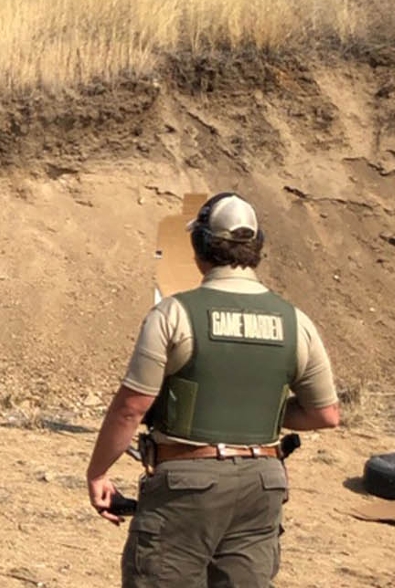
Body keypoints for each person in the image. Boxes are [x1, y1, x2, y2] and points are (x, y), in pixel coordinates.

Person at [84, 193, 341, 587]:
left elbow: (132, 407)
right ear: (256, 248)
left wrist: (98, 471)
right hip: (263, 483)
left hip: (187, 483)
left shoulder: (174, 313)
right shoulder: (296, 321)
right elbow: (325, 414)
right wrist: (259, 408)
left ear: (200, 246)